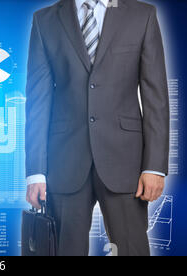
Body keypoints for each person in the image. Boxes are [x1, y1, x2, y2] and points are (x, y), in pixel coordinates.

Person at [25, 0, 169, 256]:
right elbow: (37, 103)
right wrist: (35, 172)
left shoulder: (142, 15)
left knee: (132, 250)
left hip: (127, 163)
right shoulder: (44, 21)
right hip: (65, 161)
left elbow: (155, 96)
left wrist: (154, 166)